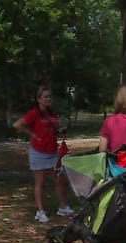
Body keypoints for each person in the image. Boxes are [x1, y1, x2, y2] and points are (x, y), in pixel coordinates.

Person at [13, 85, 73, 223]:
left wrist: (61, 130)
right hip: (38, 151)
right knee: (40, 182)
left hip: (52, 151)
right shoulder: (34, 113)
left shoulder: (52, 113)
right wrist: (32, 134)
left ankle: (63, 207)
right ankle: (40, 211)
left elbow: (54, 128)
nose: (48, 99)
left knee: (59, 179)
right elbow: (17, 125)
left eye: (50, 96)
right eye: (45, 97)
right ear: (39, 99)